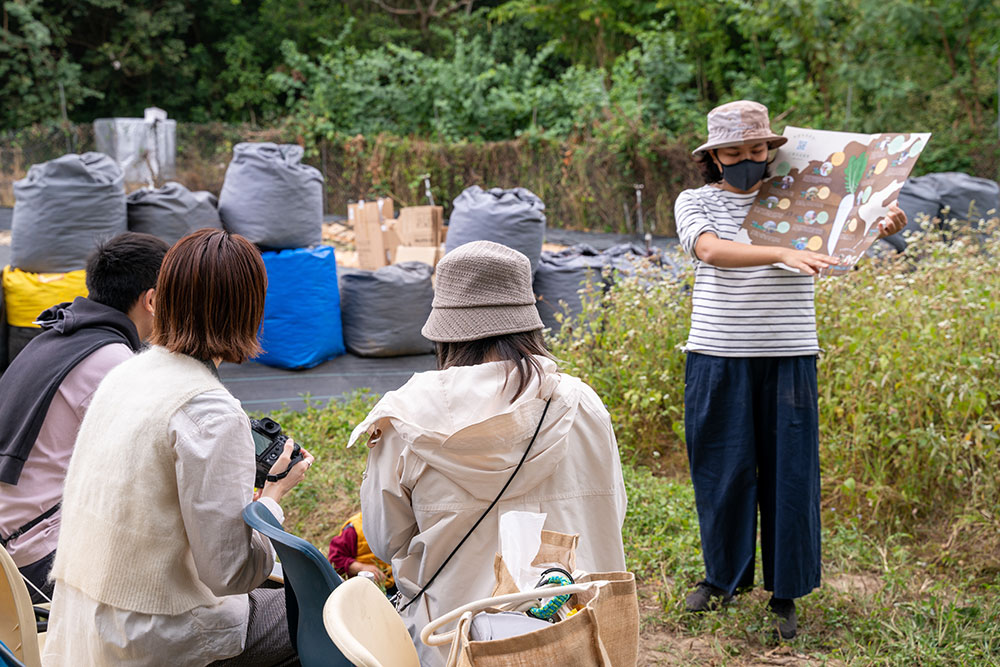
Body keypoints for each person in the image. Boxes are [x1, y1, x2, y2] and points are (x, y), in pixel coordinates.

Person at [674, 100, 907, 639]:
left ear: (771, 150)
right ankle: (721, 578)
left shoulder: (806, 197)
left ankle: (786, 592)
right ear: (714, 157)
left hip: (790, 352)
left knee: (790, 475)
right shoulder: (696, 201)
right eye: (734, 153)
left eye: (757, 149)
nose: (747, 160)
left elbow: (836, 249)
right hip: (719, 352)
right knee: (722, 472)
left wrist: (878, 226)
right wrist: (779, 251)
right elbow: (710, 250)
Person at [42, 229, 314, 666]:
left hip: (81, 622)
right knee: (322, 617)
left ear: (163, 297)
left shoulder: (124, 373)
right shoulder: (210, 411)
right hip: (151, 635)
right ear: (249, 309)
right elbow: (230, 574)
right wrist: (272, 500)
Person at [352, 240, 628, 666]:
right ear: (528, 322)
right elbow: (612, 513)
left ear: (445, 332)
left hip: (453, 644)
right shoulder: (583, 404)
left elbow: (385, 541)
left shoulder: (405, 418)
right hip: (579, 638)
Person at [0, 232, 168, 603]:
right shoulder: (112, 362)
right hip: (36, 560)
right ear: (153, 300)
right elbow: (147, 476)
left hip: (8, 548)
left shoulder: (59, 335)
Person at [327, 511, 395, 592]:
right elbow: (335, 559)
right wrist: (362, 568)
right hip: (367, 589)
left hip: (396, 583)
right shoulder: (354, 529)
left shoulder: (398, 522)